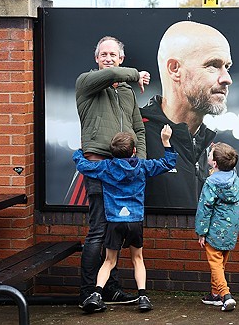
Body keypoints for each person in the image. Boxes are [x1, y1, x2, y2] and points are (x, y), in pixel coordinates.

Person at [75, 35, 151, 309]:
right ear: (97, 59)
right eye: (104, 54)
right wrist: (135, 74)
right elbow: (113, 75)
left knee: (115, 232)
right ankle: (88, 293)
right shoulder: (86, 83)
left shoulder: (127, 93)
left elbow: (139, 130)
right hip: (99, 166)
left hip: (126, 172)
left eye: (113, 55)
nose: (108, 58)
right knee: (98, 231)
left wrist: (138, 164)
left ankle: (110, 289)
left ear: (121, 58)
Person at [72, 125, 177, 313]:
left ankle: (96, 294)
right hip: (135, 221)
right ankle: (143, 297)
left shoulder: (106, 167)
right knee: (137, 259)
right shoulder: (143, 166)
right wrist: (166, 142)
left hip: (114, 222)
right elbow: (168, 163)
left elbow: (82, 165)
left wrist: (81, 150)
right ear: (134, 151)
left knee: (109, 261)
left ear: (112, 153)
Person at [140, 20, 233, 208]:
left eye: (227, 67)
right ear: (175, 69)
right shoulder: (132, 133)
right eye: (213, 65)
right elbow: (86, 218)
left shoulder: (210, 147)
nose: (227, 79)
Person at [195, 142, 239, 312]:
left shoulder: (211, 182)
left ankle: (225, 295)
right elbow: (229, 166)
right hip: (231, 230)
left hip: (215, 231)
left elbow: (204, 208)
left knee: (215, 264)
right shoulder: (234, 179)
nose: (208, 155)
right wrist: (217, 149)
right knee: (221, 263)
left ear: (214, 163)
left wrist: (201, 232)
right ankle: (215, 294)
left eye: (210, 154)